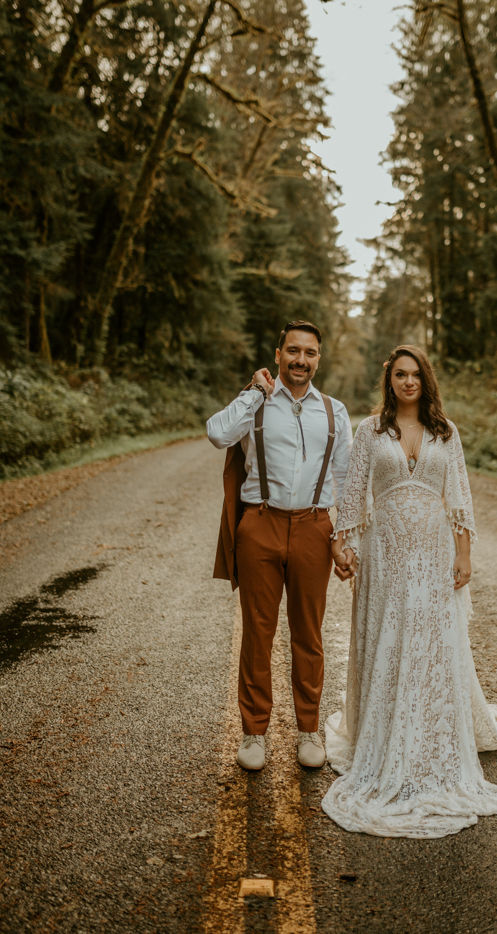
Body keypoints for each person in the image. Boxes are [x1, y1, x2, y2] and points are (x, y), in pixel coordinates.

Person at [323, 345, 497, 838]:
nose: (408, 382)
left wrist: (463, 554)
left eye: (415, 374)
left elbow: (460, 497)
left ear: (426, 380)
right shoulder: (370, 430)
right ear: (390, 381)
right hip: (385, 555)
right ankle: (382, 737)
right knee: (391, 636)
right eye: (400, 375)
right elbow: (354, 490)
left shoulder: (446, 432)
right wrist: (344, 543)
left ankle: (430, 732)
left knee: (431, 641)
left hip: (433, 550)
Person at [206, 321, 353, 771]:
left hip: (314, 528)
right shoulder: (256, 405)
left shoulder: (335, 412)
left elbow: (345, 482)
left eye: (309, 353)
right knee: (258, 633)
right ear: (277, 354)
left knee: (309, 635)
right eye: (293, 351)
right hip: (261, 524)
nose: (300, 360)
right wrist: (254, 392)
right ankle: (254, 733)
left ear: (319, 359)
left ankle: (308, 729)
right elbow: (216, 433)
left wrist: (341, 540)